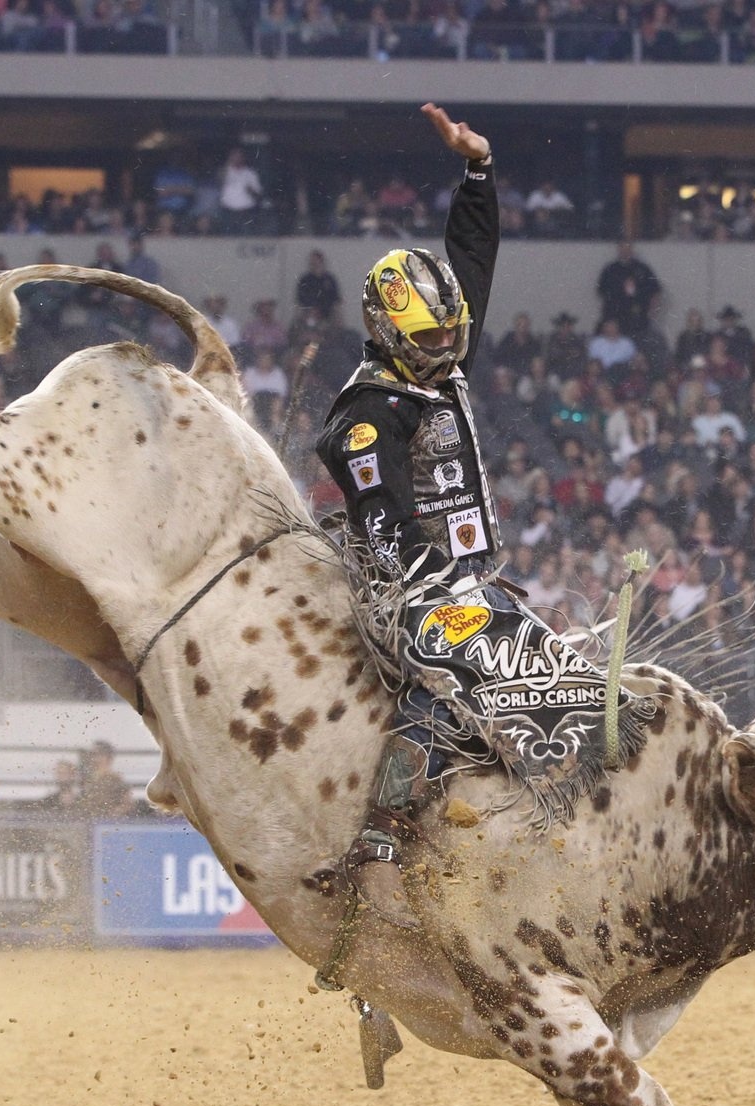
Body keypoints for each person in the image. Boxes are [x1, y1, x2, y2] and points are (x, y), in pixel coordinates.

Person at [312, 102, 497, 980]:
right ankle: (379, 843)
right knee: (452, 671)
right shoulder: (366, 413)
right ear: (388, 332)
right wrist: (440, 590)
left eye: (454, 331)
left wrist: (478, 174)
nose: (452, 348)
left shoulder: (438, 356)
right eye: (432, 338)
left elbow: (469, 267)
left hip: (464, 574)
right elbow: (383, 521)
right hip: (401, 585)